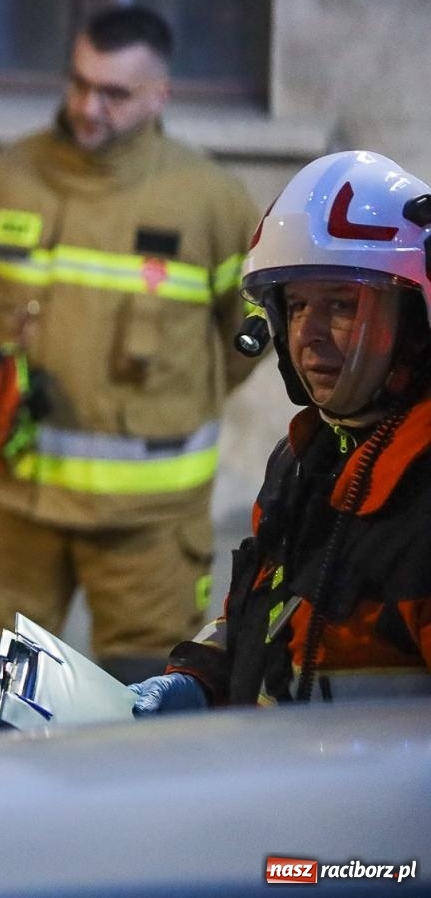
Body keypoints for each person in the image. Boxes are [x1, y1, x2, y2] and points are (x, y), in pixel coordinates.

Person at [0, 4, 264, 730]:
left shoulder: (210, 202)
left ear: (160, 95)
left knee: (144, 718)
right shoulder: (6, 177)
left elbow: (243, 340)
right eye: (79, 83)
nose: (89, 107)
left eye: (115, 93)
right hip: (11, 499)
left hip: (145, 521)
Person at [133, 151, 431, 712]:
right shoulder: (306, 458)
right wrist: (199, 678)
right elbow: (266, 617)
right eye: (295, 306)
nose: (308, 334)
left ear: (415, 319)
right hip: (284, 787)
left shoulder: (419, 490)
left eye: (341, 305)